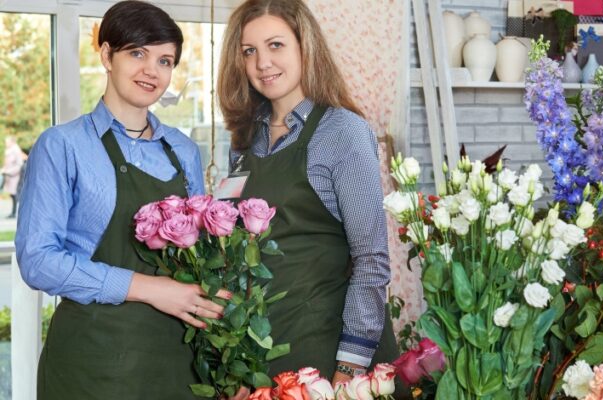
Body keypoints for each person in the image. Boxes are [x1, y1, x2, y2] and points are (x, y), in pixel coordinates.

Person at [15, 2, 245, 399]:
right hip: (92, 362)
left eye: (165, 60)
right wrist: (151, 288)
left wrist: (227, 364)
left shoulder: (184, 151)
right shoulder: (63, 145)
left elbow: (201, 264)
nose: (151, 71)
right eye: (137, 53)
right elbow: (38, 261)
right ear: (106, 55)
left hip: (177, 360)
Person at [218, 0, 400, 388]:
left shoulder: (342, 133)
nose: (262, 62)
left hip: (326, 353)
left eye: (275, 45)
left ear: (306, 46)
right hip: (263, 350)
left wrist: (348, 371)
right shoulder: (245, 139)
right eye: (249, 51)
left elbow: (371, 259)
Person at [2, 135, 25, 218]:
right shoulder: (9, 150)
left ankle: (14, 213)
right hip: (9, 176)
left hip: (14, 176)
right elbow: (7, 163)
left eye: (7, 142)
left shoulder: (16, 150)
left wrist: (9, 172)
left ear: (12, 142)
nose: (6, 143)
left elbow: (19, 164)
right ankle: (13, 212)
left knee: (15, 194)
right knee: (12, 195)